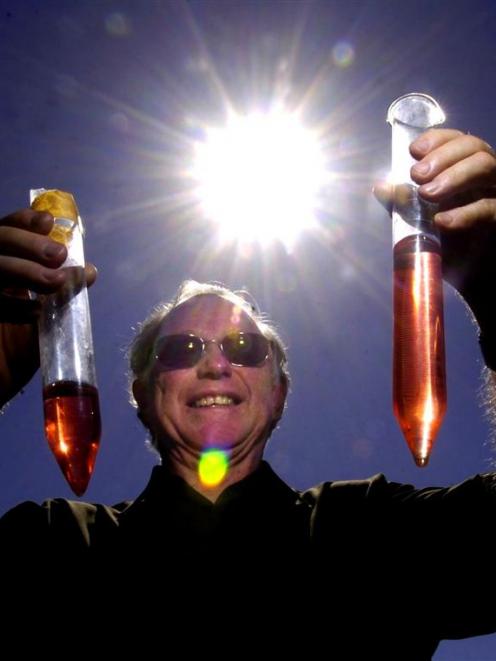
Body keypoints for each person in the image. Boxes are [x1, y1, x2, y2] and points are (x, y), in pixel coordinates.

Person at [1, 129, 495, 658]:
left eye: (243, 347)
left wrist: (495, 290)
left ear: (279, 392)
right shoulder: (52, 548)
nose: (215, 364)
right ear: (140, 392)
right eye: (182, 349)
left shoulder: (371, 535)